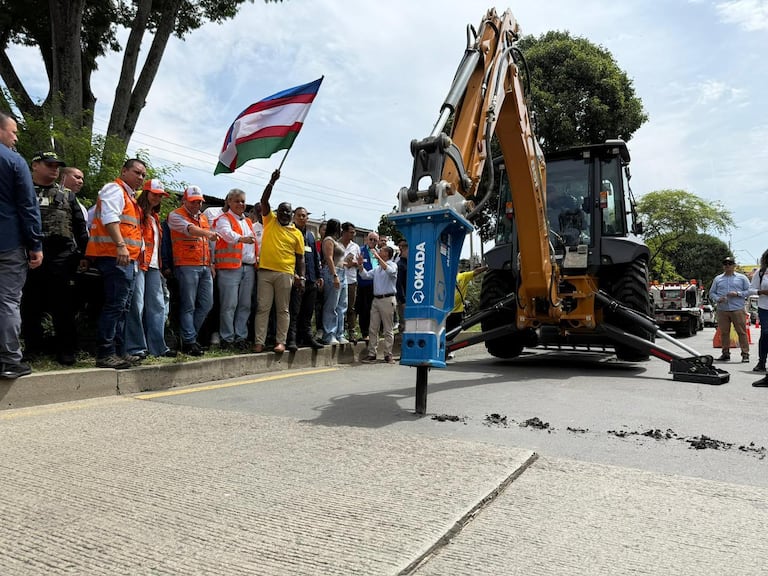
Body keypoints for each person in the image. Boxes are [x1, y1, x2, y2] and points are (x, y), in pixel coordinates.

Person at [21, 151, 89, 365]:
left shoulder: (67, 195)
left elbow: (80, 228)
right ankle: (33, 347)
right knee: (30, 305)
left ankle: (65, 350)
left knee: (63, 306)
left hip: (61, 256)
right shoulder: (22, 191)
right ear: (35, 165)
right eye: (49, 164)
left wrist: (86, 256)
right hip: (28, 254)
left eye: (57, 165)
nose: (54, 168)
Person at [85, 158, 146, 369]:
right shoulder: (114, 189)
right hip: (114, 257)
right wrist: (121, 245)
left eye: (143, 175)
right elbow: (109, 217)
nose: (140, 178)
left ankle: (119, 351)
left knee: (123, 307)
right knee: (114, 305)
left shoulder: (130, 198)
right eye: (137, 173)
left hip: (127, 259)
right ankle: (105, 353)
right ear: (124, 170)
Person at [0, 112, 44, 379]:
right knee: (7, 301)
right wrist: (35, 244)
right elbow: (28, 206)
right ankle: (8, 360)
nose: (16, 137)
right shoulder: (14, 161)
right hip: (8, 242)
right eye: (13, 132)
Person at [253, 170, 305, 354]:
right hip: (265, 272)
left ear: (292, 214)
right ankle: (259, 342)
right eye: (281, 210)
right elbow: (264, 202)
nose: (284, 213)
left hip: (286, 274)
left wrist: (302, 277)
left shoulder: (297, 233)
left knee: (283, 310)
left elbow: (300, 258)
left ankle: (280, 342)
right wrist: (271, 182)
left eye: (287, 211)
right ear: (277, 212)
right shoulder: (270, 221)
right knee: (263, 308)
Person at [124, 179, 176, 359]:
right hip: (138, 263)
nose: (157, 198)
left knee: (158, 306)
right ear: (145, 193)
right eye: (154, 194)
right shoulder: (136, 212)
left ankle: (158, 347)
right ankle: (135, 348)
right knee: (136, 306)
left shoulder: (154, 217)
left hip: (154, 267)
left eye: (160, 196)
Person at [167, 185, 218, 356]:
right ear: (184, 201)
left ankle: (189, 338)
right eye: (193, 201)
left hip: (204, 265)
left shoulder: (203, 218)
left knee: (207, 304)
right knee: (188, 305)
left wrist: (211, 263)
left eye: (199, 202)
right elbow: (189, 229)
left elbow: (208, 244)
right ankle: (189, 341)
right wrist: (207, 233)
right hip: (186, 265)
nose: (197, 205)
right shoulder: (175, 215)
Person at [214, 188, 258, 351]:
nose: (241, 204)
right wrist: (241, 239)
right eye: (237, 201)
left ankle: (241, 336)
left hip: (248, 268)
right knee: (229, 304)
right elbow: (226, 234)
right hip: (230, 268)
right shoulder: (223, 219)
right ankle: (227, 337)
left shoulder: (247, 221)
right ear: (229, 202)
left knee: (245, 305)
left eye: (243, 201)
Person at [286, 207, 324, 351]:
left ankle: (307, 337)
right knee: (295, 311)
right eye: (299, 216)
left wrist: (319, 276)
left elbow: (315, 257)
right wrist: (295, 274)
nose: (302, 218)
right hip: (296, 279)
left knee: (308, 312)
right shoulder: (290, 233)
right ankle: (292, 339)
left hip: (311, 279)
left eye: (304, 216)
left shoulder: (310, 236)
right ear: (294, 217)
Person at [359, 245, 398, 364]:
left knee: (387, 328)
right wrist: (360, 265)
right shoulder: (377, 269)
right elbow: (365, 275)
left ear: (387, 254)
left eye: (381, 251)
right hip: (376, 300)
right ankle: (372, 353)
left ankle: (388, 354)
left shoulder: (392, 265)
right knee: (373, 328)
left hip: (387, 299)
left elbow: (390, 272)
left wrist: (377, 258)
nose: (379, 252)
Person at [709, 255, 751, 363]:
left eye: (730, 264)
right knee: (724, 332)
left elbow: (750, 291)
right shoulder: (718, 279)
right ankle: (725, 353)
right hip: (722, 309)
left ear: (734, 266)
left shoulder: (742, 278)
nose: (727, 266)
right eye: (725, 264)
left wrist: (738, 293)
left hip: (737, 308)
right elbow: (711, 292)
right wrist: (718, 299)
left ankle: (745, 354)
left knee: (741, 332)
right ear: (723, 266)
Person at [320, 219, 346, 345]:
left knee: (342, 306)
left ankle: (339, 333)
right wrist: (334, 275)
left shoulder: (338, 242)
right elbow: (329, 258)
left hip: (343, 272)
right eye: (339, 227)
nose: (341, 230)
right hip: (333, 272)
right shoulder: (328, 240)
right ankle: (329, 334)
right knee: (331, 305)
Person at [356, 231, 379, 344]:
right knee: (364, 309)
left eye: (375, 240)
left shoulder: (379, 253)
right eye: (371, 239)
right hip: (364, 285)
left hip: (377, 286)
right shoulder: (361, 250)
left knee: (374, 311)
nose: (373, 242)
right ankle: (364, 333)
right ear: (366, 239)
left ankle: (374, 333)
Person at [749, 250, 768, 385]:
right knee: (766, 334)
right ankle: (761, 362)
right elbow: (750, 290)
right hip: (765, 308)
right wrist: (762, 292)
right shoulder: (761, 272)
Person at [341, 222, 360, 342]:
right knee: (339, 307)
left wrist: (354, 263)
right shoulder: (336, 244)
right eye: (351, 232)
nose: (353, 234)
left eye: (354, 232)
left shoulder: (355, 247)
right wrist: (344, 262)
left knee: (351, 308)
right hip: (339, 278)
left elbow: (359, 262)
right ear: (344, 232)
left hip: (351, 280)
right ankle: (340, 331)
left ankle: (352, 331)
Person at [395, 239, 408, 335]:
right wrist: (402, 299)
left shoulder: (410, 264)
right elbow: (398, 283)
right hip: (403, 298)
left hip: (410, 296)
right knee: (403, 321)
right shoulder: (400, 265)